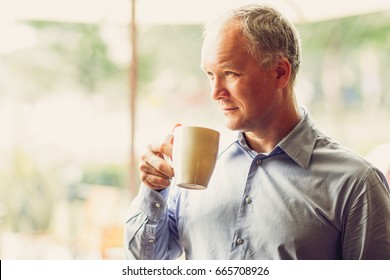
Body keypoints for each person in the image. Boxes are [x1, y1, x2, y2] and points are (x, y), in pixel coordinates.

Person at [124, 5, 390, 259]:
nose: (215, 93)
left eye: (230, 73)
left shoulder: (357, 184)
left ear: (279, 72)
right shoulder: (195, 168)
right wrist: (153, 190)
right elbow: (145, 260)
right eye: (209, 74)